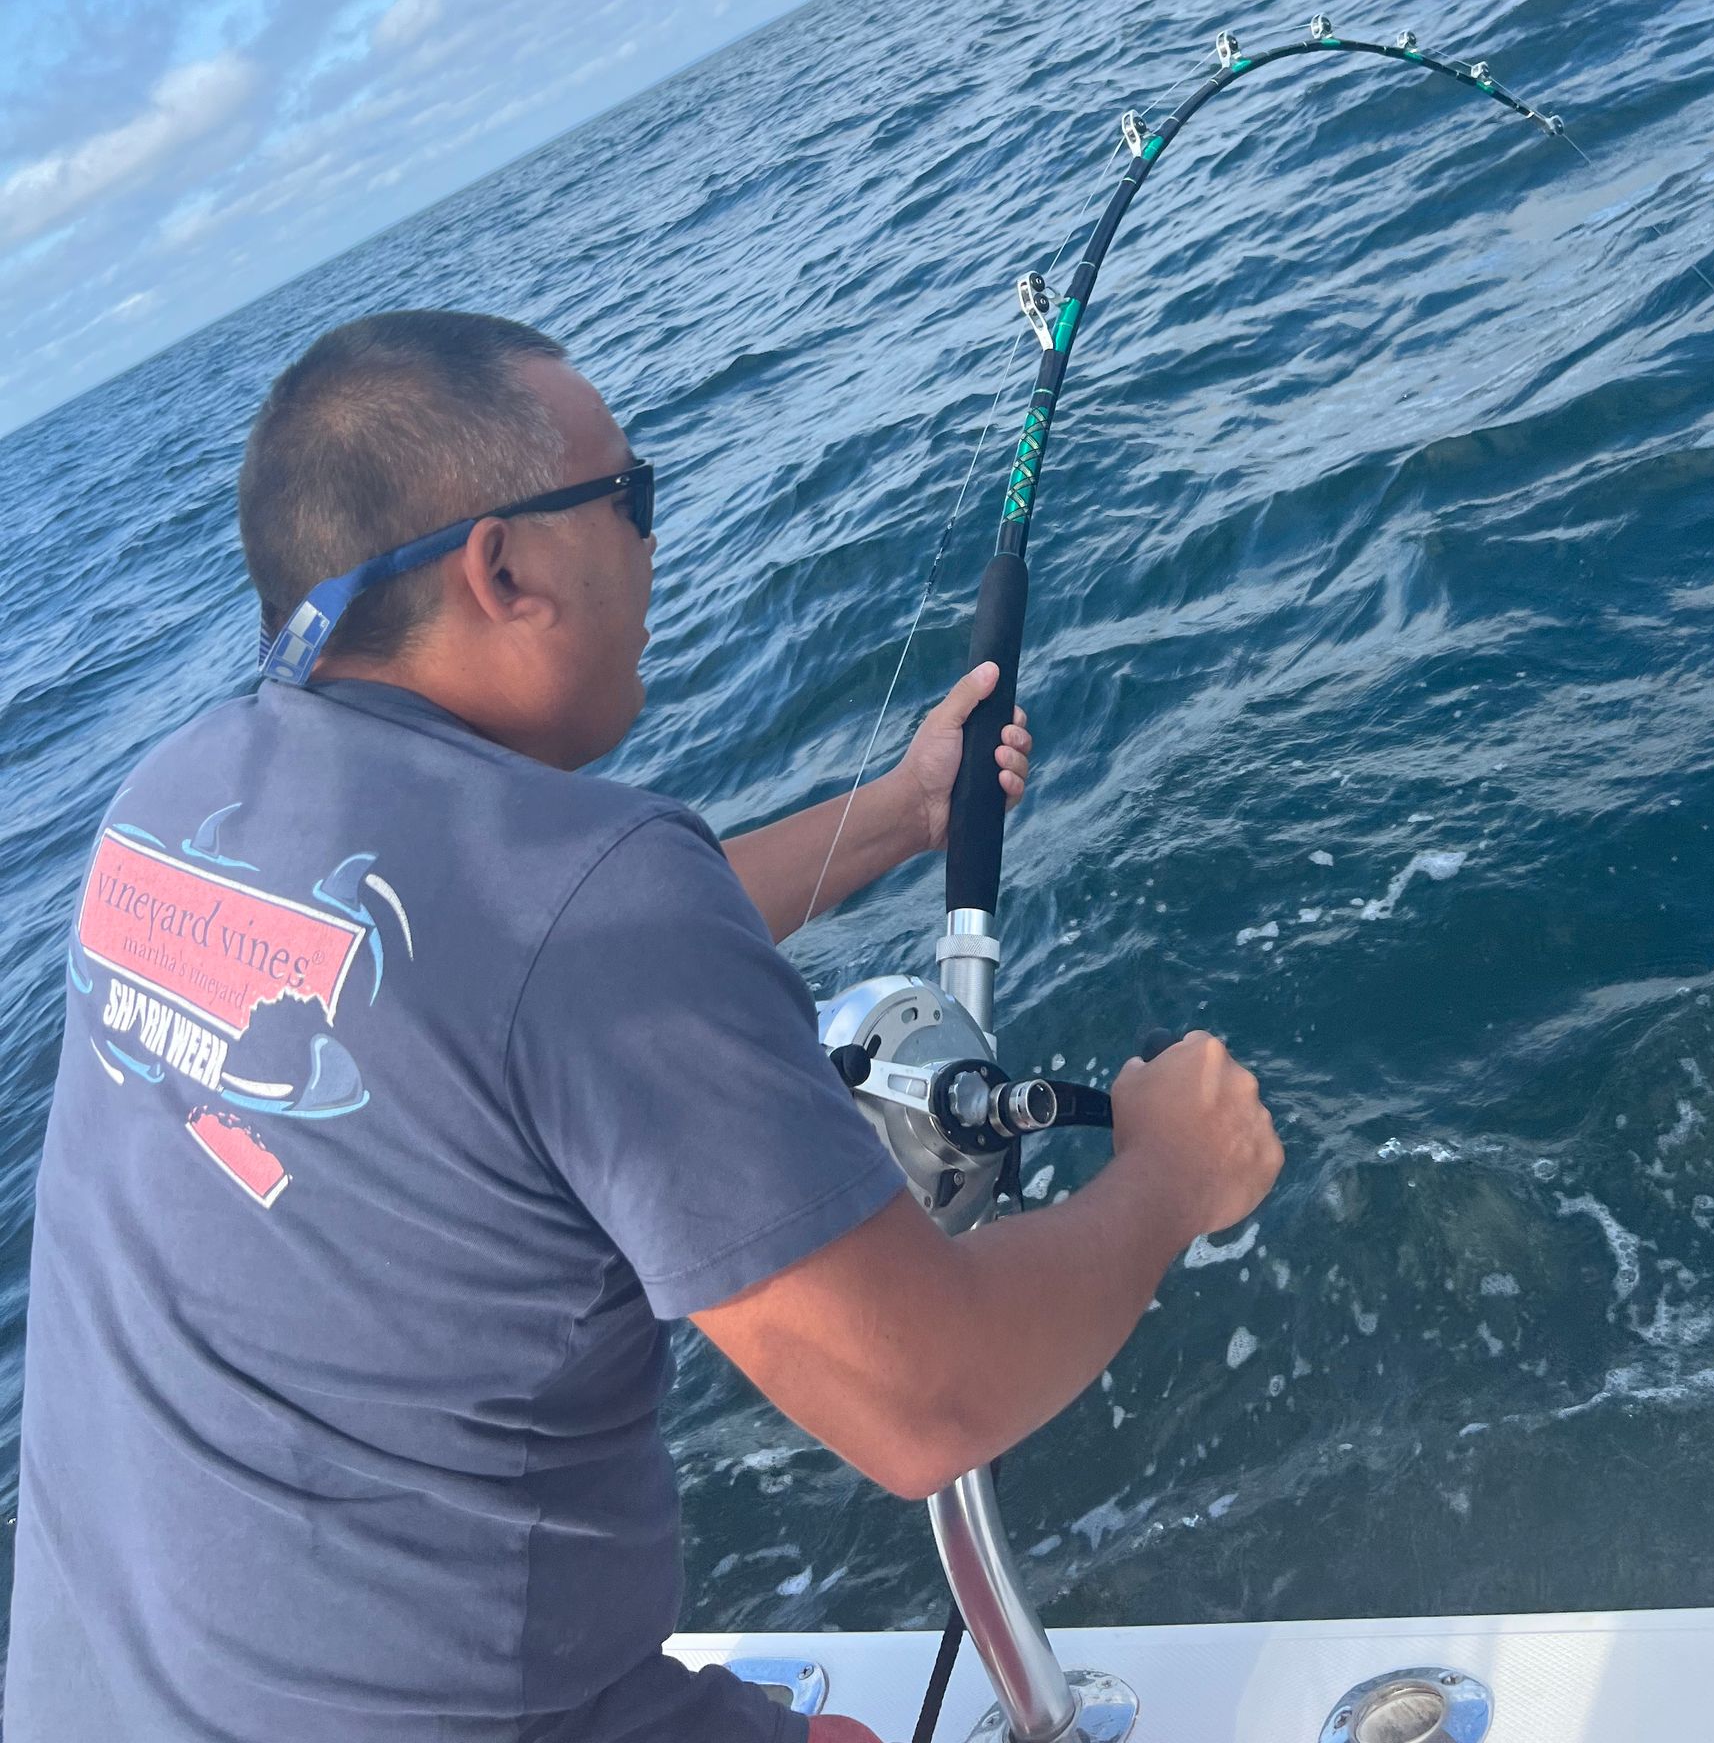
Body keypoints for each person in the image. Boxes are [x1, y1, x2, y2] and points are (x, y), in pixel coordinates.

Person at [6, 310, 1284, 1743]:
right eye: (633, 499)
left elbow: (504, 982)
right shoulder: (584, 900)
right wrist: (1173, 1176)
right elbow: (928, 1401)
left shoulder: (170, 810)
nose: (654, 543)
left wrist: (903, 815)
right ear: (503, 565)